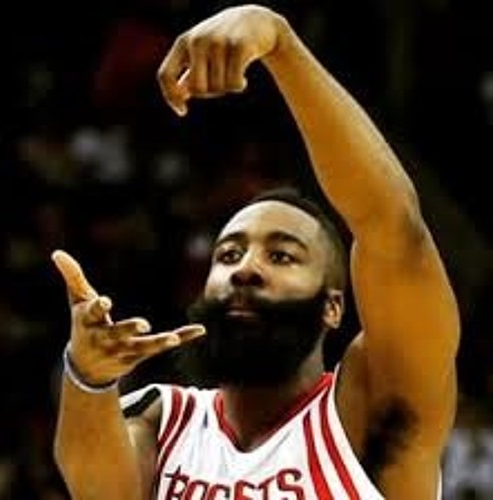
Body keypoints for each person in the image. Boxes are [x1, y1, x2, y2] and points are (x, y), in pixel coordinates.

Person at [51, 5, 460, 499]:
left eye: (282, 256)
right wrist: (88, 377)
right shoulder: (162, 418)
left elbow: (394, 231)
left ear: (333, 306)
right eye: (228, 255)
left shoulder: (370, 407)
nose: (245, 269)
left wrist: (280, 42)